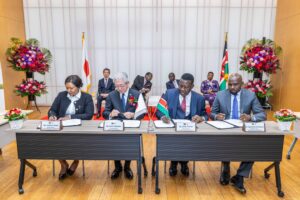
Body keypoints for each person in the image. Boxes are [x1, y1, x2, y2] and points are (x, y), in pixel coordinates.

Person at [210, 73, 266, 194]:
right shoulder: (220, 94)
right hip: (225, 129)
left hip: (243, 130)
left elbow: (262, 114)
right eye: (230, 84)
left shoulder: (250, 95)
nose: (232, 87)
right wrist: (216, 116)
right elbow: (212, 113)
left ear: (242, 84)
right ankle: (226, 167)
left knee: (254, 147)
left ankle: (239, 176)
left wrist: (250, 117)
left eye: (235, 84)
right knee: (226, 142)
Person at [156, 73, 207, 176]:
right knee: (175, 140)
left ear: (192, 87)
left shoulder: (199, 98)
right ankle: (173, 163)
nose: (182, 89)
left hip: (190, 130)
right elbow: (159, 111)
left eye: (186, 87)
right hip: (172, 129)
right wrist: (163, 117)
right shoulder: (169, 93)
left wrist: (201, 118)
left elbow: (205, 114)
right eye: (181, 86)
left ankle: (184, 163)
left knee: (187, 141)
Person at [48, 75, 94, 180]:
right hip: (61, 127)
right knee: (54, 142)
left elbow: (89, 115)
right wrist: (52, 115)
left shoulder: (86, 97)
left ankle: (76, 161)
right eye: (67, 88)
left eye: (71, 88)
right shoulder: (61, 95)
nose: (69, 90)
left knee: (77, 142)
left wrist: (70, 117)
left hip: (79, 128)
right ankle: (63, 164)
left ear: (78, 87)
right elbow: (52, 109)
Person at [103, 72, 145, 179]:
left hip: (130, 126)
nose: (119, 88)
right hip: (115, 126)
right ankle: (117, 167)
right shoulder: (112, 95)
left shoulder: (135, 94)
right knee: (114, 145)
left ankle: (127, 166)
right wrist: (110, 114)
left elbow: (142, 112)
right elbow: (105, 112)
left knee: (129, 144)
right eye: (117, 86)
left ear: (128, 84)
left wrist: (134, 114)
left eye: (121, 86)